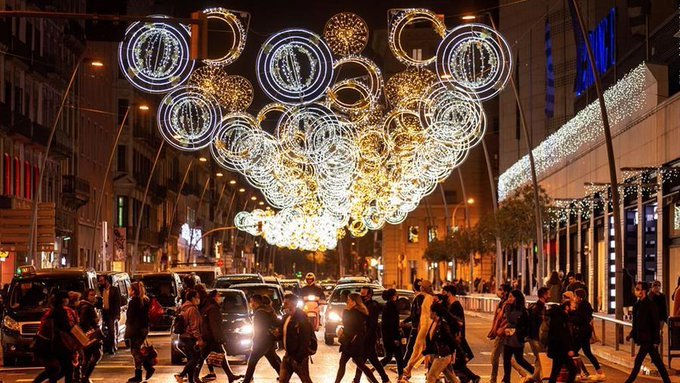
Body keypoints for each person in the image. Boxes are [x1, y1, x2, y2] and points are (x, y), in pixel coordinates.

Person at [624, 281, 672, 383]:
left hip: (648, 338)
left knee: (638, 362)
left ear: (644, 291)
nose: (636, 290)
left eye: (638, 289)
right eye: (636, 288)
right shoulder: (637, 305)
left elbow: (655, 324)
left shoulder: (650, 304)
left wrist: (656, 341)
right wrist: (631, 334)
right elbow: (636, 323)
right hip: (643, 338)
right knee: (658, 362)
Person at [334, 293, 380, 383]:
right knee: (358, 365)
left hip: (351, 343)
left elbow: (349, 326)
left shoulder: (352, 313)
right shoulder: (360, 312)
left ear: (354, 302)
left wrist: (345, 312)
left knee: (350, 364)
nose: (347, 301)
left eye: (349, 300)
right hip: (354, 343)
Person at [32, 290, 77, 383]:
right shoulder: (61, 311)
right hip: (59, 345)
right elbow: (66, 328)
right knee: (67, 368)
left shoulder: (52, 311)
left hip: (49, 344)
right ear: (64, 300)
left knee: (54, 370)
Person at [199, 290, 242, 383]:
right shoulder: (213, 308)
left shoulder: (211, 307)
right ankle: (191, 375)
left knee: (205, 356)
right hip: (212, 338)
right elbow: (215, 325)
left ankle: (229, 375)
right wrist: (219, 338)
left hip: (210, 337)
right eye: (219, 296)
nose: (220, 298)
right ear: (214, 297)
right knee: (206, 356)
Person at [487, 284, 524, 383]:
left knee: (495, 356)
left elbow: (508, 320)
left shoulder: (507, 305)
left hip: (504, 333)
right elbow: (497, 319)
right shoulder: (502, 303)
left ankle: (493, 378)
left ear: (506, 292)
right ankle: (522, 373)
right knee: (507, 357)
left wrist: (500, 330)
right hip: (501, 332)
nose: (498, 291)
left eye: (500, 289)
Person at [442, 285, 479, 383]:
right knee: (456, 362)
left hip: (456, 337)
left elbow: (459, 323)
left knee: (457, 362)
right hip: (452, 337)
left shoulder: (456, 306)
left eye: (444, 292)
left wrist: (458, 336)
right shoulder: (450, 305)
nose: (442, 294)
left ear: (449, 293)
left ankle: (473, 377)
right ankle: (465, 378)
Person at [353, 286, 389, 383]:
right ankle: (385, 379)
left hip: (369, 337)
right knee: (374, 360)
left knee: (361, 360)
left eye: (364, 294)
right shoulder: (363, 305)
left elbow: (372, 325)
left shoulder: (372, 306)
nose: (362, 296)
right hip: (366, 337)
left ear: (369, 295)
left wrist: (365, 338)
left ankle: (356, 380)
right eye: (361, 294)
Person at [243, 294, 282, 383]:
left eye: (251, 302)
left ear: (255, 303)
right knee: (274, 362)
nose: (250, 304)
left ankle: (246, 381)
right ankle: (284, 377)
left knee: (252, 362)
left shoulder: (259, 313)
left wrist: (255, 341)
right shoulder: (265, 310)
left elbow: (259, 329)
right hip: (268, 341)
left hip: (261, 342)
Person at [402, 279, 436, 380]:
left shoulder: (429, 298)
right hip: (423, 327)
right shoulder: (424, 297)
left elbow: (429, 315)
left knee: (419, 349)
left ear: (424, 288)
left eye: (421, 286)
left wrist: (428, 329)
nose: (420, 287)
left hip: (426, 327)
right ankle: (410, 369)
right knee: (421, 349)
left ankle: (408, 368)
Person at [571, 288, 605, 381]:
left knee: (573, 352)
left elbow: (580, 319)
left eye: (575, 296)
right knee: (587, 352)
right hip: (585, 332)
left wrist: (572, 315)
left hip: (582, 332)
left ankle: (578, 374)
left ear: (579, 297)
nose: (574, 298)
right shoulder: (585, 305)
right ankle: (599, 372)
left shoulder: (582, 306)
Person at [279, 293, 314, 383]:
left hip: (298, 358)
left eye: (286, 303)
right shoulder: (287, 317)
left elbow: (305, 340)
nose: (284, 306)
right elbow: (285, 334)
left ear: (293, 304)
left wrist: (298, 357)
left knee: (306, 380)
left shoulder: (301, 319)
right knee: (282, 380)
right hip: (288, 356)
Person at [500, 290, 534, 383]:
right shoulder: (511, 307)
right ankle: (506, 379)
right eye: (509, 297)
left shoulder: (520, 309)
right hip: (509, 337)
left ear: (516, 298)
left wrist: (506, 306)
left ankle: (535, 373)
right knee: (506, 359)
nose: (509, 299)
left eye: (511, 297)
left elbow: (510, 319)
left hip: (517, 338)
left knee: (519, 359)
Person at [423, 303, 460, 383]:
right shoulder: (434, 323)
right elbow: (430, 341)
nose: (429, 313)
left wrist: (454, 352)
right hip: (439, 355)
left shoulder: (442, 325)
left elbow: (451, 340)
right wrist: (427, 352)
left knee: (431, 377)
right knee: (451, 378)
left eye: (430, 311)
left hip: (443, 356)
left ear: (435, 313)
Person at [125, 281, 153, 383]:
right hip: (143, 328)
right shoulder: (144, 300)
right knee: (137, 351)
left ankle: (142, 372)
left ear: (133, 291)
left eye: (130, 289)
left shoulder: (133, 302)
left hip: (136, 330)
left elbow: (130, 319)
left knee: (135, 351)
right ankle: (143, 371)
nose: (129, 291)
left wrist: (127, 333)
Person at [174, 289, 203, 383]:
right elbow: (194, 326)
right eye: (197, 297)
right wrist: (199, 339)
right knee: (196, 358)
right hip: (190, 337)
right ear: (193, 298)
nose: (199, 299)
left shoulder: (183, 307)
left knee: (191, 359)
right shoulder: (192, 309)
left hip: (183, 336)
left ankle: (191, 380)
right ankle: (181, 375)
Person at [546, 300, 577, 383]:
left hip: (557, 348)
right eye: (572, 306)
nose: (574, 308)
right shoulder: (561, 318)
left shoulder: (559, 316)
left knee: (555, 371)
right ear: (567, 307)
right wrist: (569, 349)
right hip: (561, 349)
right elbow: (563, 335)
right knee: (573, 370)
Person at [79, 288, 103, 383]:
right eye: (91, 295)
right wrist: (93, 324)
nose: (93, 297)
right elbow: (83, 322)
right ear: (86, 296)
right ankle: (85, 376)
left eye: (94, 295)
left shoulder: (88, 306)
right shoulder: (86, 307)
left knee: (87, 356)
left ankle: (84, 376)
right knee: (96, 354)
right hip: (90, 335)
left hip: (89, 334)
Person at [379, 289, 405, 379]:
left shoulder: (387, 306)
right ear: (393, 296)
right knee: (398, 356)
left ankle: (375, 368)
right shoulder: (391, 307)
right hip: (392, 337)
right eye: (396, 295)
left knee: (389, 357)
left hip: (387, 337)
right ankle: (401, 376)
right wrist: (396, 338)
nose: (397, 297)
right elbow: (391, 324)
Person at [527, 287, 549, 383]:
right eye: (548, 293)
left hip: (533, 337)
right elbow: (538, 325)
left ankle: (535, 378)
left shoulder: (535, 307)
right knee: (542, 359)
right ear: (544, 295)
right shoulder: (539, 309)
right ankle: (533, 379)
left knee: (539, 359)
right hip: (536, 338)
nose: (550, 295)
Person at [402, 278, 424, 365]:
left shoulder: (418, 299)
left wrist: (405, 321)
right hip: (420, 326)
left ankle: (404, 366)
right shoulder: (422, 298)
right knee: (415, 348)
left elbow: (416, 314)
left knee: (411, 347)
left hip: (417, 327)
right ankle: (406, 367)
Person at [98, 275, 121, 354]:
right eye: (99, 281)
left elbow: (118, 303)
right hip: (103, 313)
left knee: (111, 331)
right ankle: (105, 347)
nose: (100, 283)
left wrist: (117, 314)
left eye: (101, 281)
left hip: (111, 313)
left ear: (106, 281)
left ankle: (111, 348)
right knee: (102, 331)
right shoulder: (100, 290)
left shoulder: (114, 290)